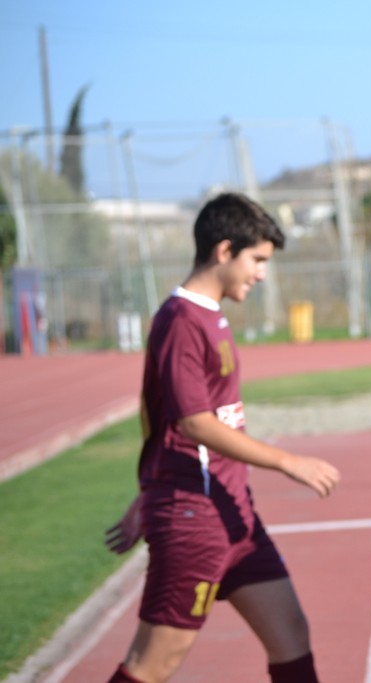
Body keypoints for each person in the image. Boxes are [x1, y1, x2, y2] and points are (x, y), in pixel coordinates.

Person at [103, 192, 341, 683]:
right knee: (153, 664)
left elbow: (163, 421)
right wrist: (288, 461)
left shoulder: (209, 314)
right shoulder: (180, 320)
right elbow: (192, 422)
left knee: (291, 635)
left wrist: (146, 492)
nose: (261, 274)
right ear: (224, 250)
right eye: (257, 260)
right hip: (197, 519)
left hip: (234, 514)